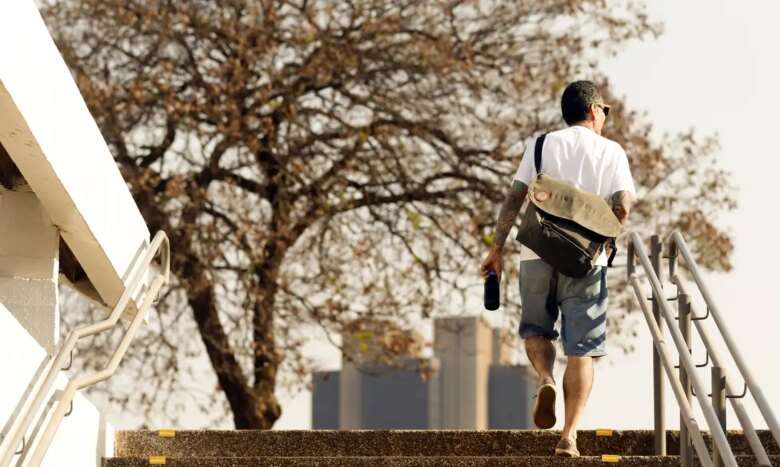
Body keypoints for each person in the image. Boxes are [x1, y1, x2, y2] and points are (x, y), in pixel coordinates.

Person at [479, 80, 636, 457]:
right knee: (582, 351)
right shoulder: (612, 152)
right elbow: (624, 204)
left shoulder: (540, 144)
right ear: (594, 110)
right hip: (586, 262)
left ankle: (545, 379)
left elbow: (515, 198)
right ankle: (569, 436)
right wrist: (608, 235)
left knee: (536, 330)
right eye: (605, 111)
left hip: (536, 253)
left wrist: (495, 249)